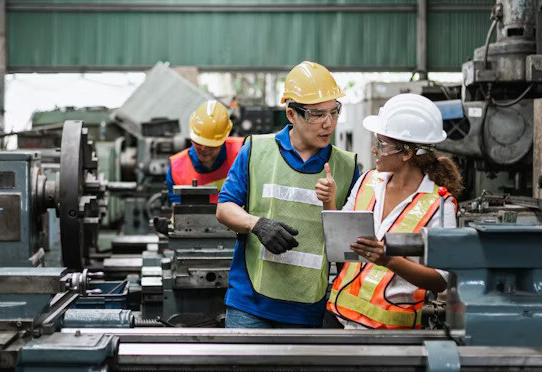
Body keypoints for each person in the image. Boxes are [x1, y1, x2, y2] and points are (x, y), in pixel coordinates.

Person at [216, 61, 361, 328]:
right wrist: (256, 224)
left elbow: (348, 245)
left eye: (334, 112)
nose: (328, 123)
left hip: (307, 307)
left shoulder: (347, 167)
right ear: (291, 114)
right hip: (250, 304)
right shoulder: (255, 150)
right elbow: (224, 208)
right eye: (317, 114)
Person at [316, 93, 462, 329]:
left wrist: (389, 260)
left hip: (391, 334)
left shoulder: (440, 204)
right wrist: (329, 201)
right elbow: (341, 244)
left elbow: (441, 279)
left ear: (407, 153)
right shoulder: (368, 181)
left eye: (382, 145)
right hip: (338, 320)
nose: (374, 151)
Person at [167, 100, 244, 203]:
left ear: (223, 139)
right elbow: (177, 211)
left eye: (210, 145)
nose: (204, 148)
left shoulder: (242, 153)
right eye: (198, 143)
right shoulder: (176, 169)